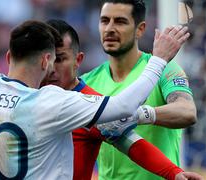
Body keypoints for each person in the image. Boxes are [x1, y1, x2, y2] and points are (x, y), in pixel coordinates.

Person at [0, 20, 201, 180]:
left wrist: (172, 173)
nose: (54, 68)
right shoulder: (50, 102)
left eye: (62, 58)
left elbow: (129, 143)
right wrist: (158, 60)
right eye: (52, 59)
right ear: (43, 59)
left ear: (78, 60)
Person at [80, 1, 197, 180]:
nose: (109, 28)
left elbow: (187, 111)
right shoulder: (88, 81)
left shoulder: (164, 69)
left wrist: (136, 115)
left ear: (140, 29)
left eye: (120, 21)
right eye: (104, 21)